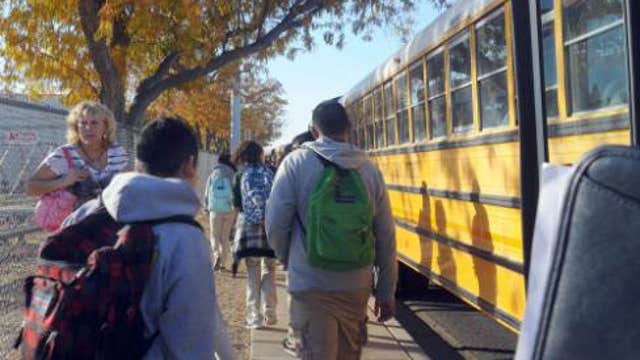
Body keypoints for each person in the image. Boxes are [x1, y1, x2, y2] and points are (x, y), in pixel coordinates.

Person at [64, 118, 233, 359]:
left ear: (137, 164)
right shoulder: (186, 240)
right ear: (190, 166)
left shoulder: (83, 215)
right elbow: (190, 344)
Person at [265, 99, 397, 360]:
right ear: (348, 129)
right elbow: (385, 236)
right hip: (356, 284)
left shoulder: (295, 163)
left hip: (309, 283)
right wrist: (385, 291)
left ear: (315, 130)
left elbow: (275, 224)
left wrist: (285, 258)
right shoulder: (369, 169)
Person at [26, 101, 128, 205]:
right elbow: (31, 188)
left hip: (110, 219)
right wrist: (63, 181)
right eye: (83, 123)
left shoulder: (118, 153)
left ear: (105, 127)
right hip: (75, 220)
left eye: (94, 123)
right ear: (76, 128)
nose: (88, 128)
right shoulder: (64, 155)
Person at [231, 140, 278, 329]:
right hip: (270, 225)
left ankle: (255, 317)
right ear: (260, 154)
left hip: (249, 226)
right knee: (270, 269)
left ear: (242, 155)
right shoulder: (271, 172)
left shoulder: (239, 175)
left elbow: (236, 205)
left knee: (253, 271)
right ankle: (271, 312)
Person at [204, 153, 237, 271]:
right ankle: (223, 263)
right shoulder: (233, 173)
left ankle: (216, 255)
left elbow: (207, 193)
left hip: (215, 209)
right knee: (225, 237)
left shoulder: (213, 174)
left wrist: (206, 207)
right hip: (229, 209)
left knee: (214, 236)